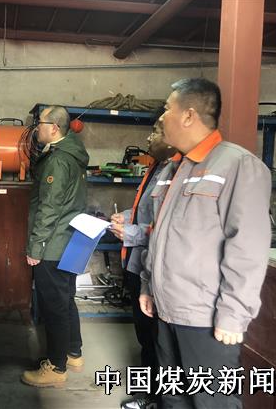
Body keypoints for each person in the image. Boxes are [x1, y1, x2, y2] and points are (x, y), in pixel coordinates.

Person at [139, 78, 271, 408]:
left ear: (189, 115)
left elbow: (248, 247)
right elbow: (158, 234)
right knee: (173, 399)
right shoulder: (173, 168)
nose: (162, 117)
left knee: (212, 402)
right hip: (167, 310)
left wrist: (233, 314)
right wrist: (147, 285)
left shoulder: (237, 166)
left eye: (167, 108)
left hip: (205, 318)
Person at [22, 105, 89, 388]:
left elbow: (49, 208)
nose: (36, 127)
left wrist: (35, 248)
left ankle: (56, 367)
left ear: (54, 128)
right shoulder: (72, 154)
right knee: (65, 299)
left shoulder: (58, 161)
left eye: (40, 123)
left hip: (53, 245)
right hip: (71, 240)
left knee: (54, 307)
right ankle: (73, 353)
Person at [110, 120, 176, 409]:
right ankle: (148, 395)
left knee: (159, 341)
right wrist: (126, 216)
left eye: (156, 132)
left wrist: (133, 232)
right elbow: (146, 211)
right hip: (138, 265)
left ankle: (159, 399)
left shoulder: (179, 170)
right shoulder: (157, 167)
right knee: (146, 337)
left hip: (156, 269)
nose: (149, 138)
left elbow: (169, 227)